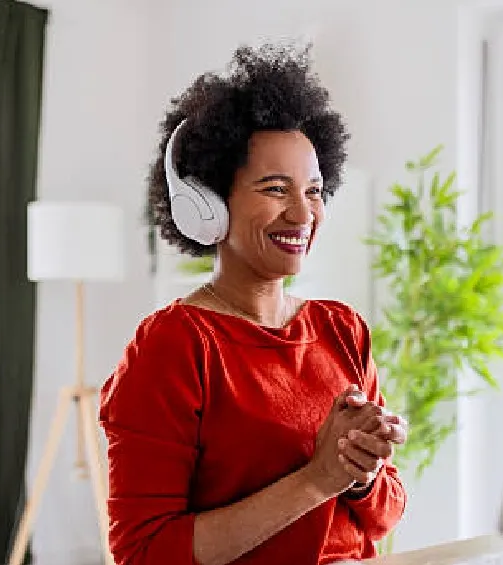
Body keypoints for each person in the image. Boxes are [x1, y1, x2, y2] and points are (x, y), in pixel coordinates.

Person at [98, 43, 409, 565]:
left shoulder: (341, 328)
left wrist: (361, 472)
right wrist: (317, 480)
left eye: (313, 191)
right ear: (208, 204)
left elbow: (384, 514)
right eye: (274, 188)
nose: (302, 213)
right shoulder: (175, 345)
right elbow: (145, 553)